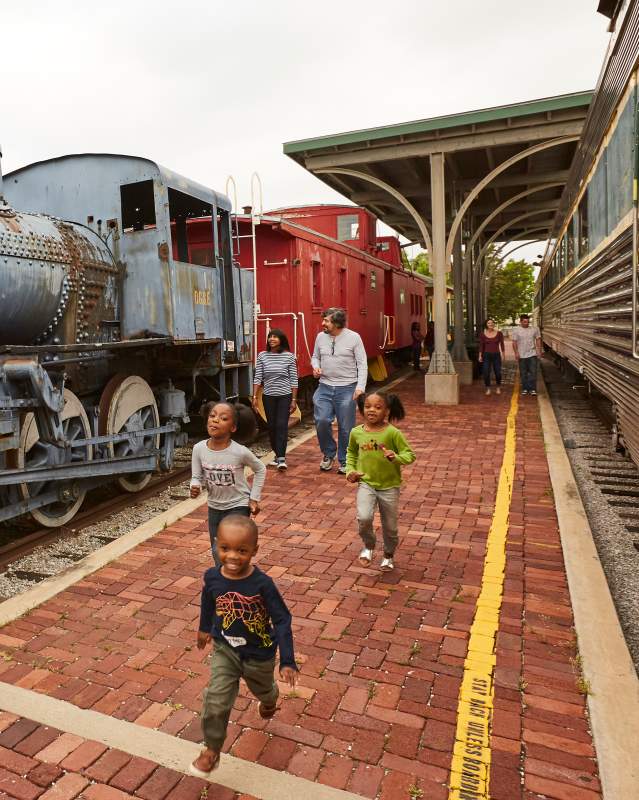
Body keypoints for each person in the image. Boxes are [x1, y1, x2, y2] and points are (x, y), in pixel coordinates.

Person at [190, 515, 298, 777]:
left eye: (242, 550)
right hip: (225, 648)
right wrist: (204, 628)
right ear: (216, 545)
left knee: (263, 690)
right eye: (225, 548)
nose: (233, 556)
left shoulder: (262, 585)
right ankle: (211, 750)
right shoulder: (213, 577)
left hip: (258, 653)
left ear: (254, 550)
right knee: (215, 699)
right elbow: (208, 601)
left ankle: (270, 699)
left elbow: (282, 619)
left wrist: (287, 660)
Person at [345, 391, 416, 571]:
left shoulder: (393, 433)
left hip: (389, 486)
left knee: (390, 527)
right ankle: (368, 545)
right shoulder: (356, 433)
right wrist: (350, 471)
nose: (372, 410)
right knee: (364, 517)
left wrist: (396, 457)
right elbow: (351, 453)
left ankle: (388, 555)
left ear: (387, 411)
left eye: (378, 407)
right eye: (367, 406)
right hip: (366, 483)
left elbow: (409, 455)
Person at [190, 402, 266, 566]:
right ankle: (224, 583)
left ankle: (237, 581)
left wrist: (254, 498)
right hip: (214, 507)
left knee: (234, 548)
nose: (215, 420)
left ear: (233, 428)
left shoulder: (239, 451)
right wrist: (195, 486)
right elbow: (196, 476)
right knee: (217, 551)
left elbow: (260, 469)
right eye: (212, 416)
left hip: (238, 505)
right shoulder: (198, 449)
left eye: (223, 418)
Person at [311, 307, 368, 475]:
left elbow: (362, 363)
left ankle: (345, 460)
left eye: (326, 321)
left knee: (346, 428)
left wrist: (360, 387)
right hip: (324, 386)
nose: (323, 323)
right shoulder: (320, 337)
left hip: (347, 388)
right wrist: (316, 367)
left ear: (337, 323)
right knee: (321, 420)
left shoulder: (354, 338)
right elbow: (315, 357)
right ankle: (329, 454)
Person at [252, 329, 298, 470]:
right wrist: (254, 396)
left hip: (284, 396)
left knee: (281, 425)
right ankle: (277, 455)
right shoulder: (262, 356)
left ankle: (282, 458)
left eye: (275, 337)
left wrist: (294, 399)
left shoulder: (289, 357)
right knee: (271, 426)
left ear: (281, 340)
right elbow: (258, 377)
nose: (271, 339)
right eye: (270, 337)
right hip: (268, 396)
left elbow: (294, 380)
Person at [511, 314, 542, 396]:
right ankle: (525, 388)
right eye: (524, 322)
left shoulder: (535, 329)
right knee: (523, 373)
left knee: (533, 372)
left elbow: (538, 339)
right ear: (520, 321)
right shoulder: (516, 330)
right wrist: (516, 353)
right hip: (521, 355)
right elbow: (514, 342)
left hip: (532, 354)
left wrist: (539, 350)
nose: (526, 323)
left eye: (528, 322)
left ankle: (532, 389)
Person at [478, 318, 505, 396]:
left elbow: (502, 344)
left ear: (494, 324)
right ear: (486, 325)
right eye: (489, 323)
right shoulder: (482, 334)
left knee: (498, 373)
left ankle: (498, 387)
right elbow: (481, 346)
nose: (491, 324)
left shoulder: (499, 333)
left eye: (492, 323)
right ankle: (488, 388)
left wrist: (503, 355)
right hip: (486, 355)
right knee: (486, 372)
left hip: (496, 355)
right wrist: (480, 356)